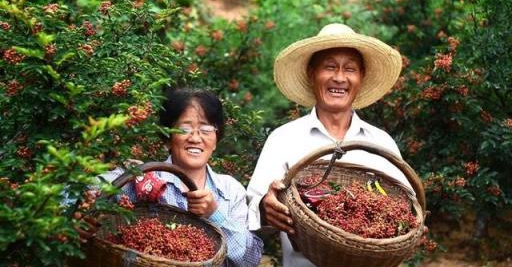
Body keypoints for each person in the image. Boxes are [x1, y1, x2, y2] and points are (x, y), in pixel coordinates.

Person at [246, 23, 414, 267]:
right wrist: (265, 208)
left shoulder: (381, 143)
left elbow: (406, 209)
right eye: (330, 67)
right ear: (312, 73)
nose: (339, 77)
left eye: (350, 69)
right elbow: (254, 209)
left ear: (361, 76)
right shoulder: (283, 139)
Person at [102, 88, 263, 267]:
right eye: (184, 129)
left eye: (206, 129)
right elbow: (79, 197)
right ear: (167, 139)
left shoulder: (230, 190)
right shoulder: (143, 179)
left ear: (216, 139)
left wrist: (215, 214)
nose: (195, 138)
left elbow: (249, 261)